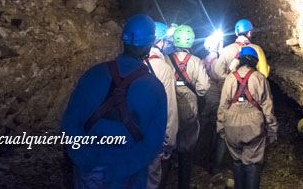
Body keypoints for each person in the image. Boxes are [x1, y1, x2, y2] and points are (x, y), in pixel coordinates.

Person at [62, 14, 167, 189]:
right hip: (127, 176)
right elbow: (153, 142)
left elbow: (70, 122)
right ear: (150, 43)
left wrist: (88, 164)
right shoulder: (154, 87)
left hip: (87, 174)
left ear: (122, 40)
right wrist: (115, 171)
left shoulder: (92, 74)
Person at [208, 18, 270, 173]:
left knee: (225, 128)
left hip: (229, 96)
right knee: (254, 131)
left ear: (236, 32)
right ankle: (252, 163)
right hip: (252, 99)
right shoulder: (256, 49)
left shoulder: (227, 50)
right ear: (249, 32)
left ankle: (217, 164)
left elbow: (217, 72)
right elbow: (264, 74)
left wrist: (230, 79)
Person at [217, 46, 277, 189]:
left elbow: (223, 105)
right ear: (255, 61)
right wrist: (272, 129)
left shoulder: (230, 78)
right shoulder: (260, 78)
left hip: (231, 124)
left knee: (237, 161)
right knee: (252, 163)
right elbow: (267, 107)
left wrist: (220, 126)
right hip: (253, 126)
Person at [164, 25, 210, 189]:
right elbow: (203, 87)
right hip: (189, 107)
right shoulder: (196, 61)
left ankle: (163, 181)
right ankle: (183, 183)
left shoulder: (165, 59)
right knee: (186, 148)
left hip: (169, 105)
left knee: (167, 144)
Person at [145, 22, 179, 189]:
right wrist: (169, 142)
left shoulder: (131, 63)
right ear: (159, 42)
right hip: (152, 137)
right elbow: (170, 109)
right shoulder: (163, 68)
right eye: (166, 40)